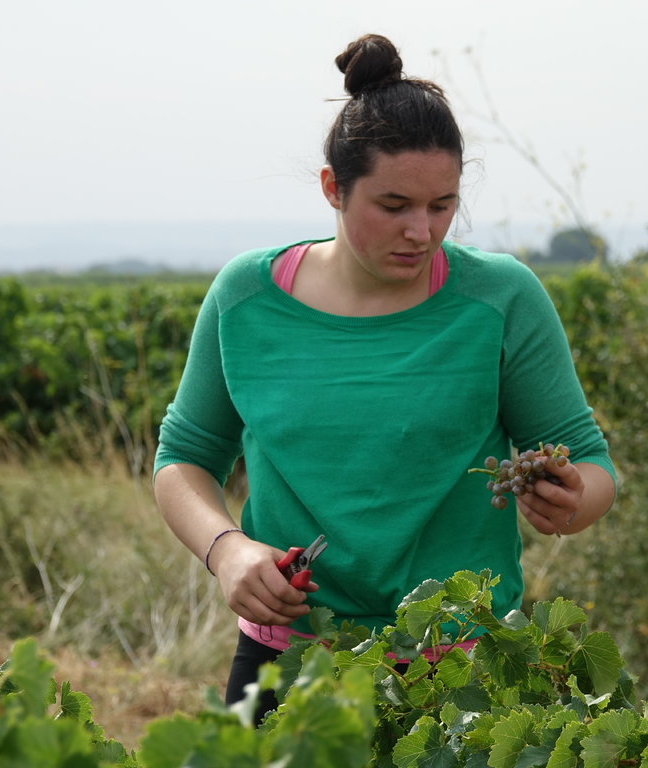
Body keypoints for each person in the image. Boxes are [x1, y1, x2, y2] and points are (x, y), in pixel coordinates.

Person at [152, 33, 617, 718]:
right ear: (332, 188)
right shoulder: (246, 298)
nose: (422, 232)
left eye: (442, 205)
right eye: (394, 206)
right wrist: (227, 551)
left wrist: (572, 501)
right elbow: (183, 460)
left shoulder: (501, 299)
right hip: (291, 657)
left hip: (464, 666)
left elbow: (594, 466)